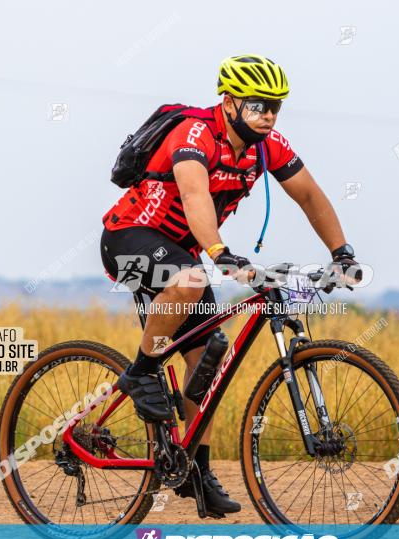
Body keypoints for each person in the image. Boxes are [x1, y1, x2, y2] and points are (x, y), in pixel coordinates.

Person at [100, 54, 361, 515]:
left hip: (184, 252)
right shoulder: (195, 134)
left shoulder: (267, 146)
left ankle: (194, 472)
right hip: (130, 237)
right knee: (191, 275)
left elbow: (310, 195)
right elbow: (194, 194)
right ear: (230, 101)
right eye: (260, 104)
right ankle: (140, 374)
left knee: (208, 361)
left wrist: (342, 253)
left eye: (276, 106)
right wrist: (221, 254)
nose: (269, 114)